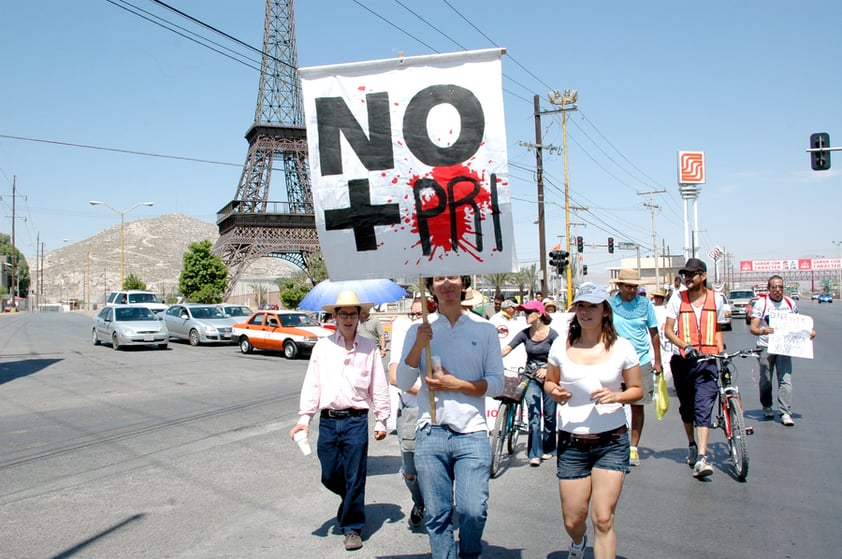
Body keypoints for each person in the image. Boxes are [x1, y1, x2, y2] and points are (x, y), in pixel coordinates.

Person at [397, 275, 505, 559]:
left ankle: (469, 554)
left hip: (472, 431)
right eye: (439, 278)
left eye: (453, 276)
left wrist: (457, 385)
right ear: (430, 286)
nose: (447, 283)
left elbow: (496, 383)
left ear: (464, 282)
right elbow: (403, 378)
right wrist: (419, 345)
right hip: (430, 431)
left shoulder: (485, 329)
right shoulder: (418, 328)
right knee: (437, 514)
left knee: (473, 510)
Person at [544, 282, 643, 559]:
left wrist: (616, 396)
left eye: (592, 306)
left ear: (605, 311)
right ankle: (577, 543)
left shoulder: (622, 347)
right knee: (573, 520)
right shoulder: (560, 347)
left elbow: (637, 390)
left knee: (603, 518)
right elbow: (549, 384)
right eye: (581, 306)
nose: (586, 312)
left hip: (611, 440)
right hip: (572, 443)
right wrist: (556, 392)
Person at [289, 291, 391, 552]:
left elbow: (378, 386)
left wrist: (381, 419)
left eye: (353, 314)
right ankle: (349, 501)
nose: (348, 319)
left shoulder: (369, 348)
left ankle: (353, 527)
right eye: (343, 314)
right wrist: (304, 418)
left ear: (360, 316)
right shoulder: (323, 347)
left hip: (356, 420)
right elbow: (312, 383)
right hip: (328, 421)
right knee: (329, 474)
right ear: (335, 316)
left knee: (356, 475)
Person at [663, 258, 725, 479]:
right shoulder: (677, 299)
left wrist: (720, 348)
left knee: (703, 407)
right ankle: (691, 443)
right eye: (685, 275)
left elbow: (719, 328)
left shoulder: (716, 299)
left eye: (692, 274)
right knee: (687, 408)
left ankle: (702, 457)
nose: (687, 278)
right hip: (684, 361)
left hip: (707, 362)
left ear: (703, 276)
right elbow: (668, 330)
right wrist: (684, 346)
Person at [609, 269, 661, 467]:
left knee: (637, 405)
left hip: (640, 361)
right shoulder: (610, 304)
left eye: (634, 286)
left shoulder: (645, 304)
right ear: (619, 286)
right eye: (627, 286)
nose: (631, 290)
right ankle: (614, 444)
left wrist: (657, 360)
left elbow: (653, 332)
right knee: (613, 404)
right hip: (614, 361)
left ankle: (633, 448)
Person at [749, 275, 816, 426]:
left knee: (785, 379)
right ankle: (767, 406)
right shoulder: (762, 304)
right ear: (769, 289)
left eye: (780, 287)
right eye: (774, 287)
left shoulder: (789, 303)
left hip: (784, 347)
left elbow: (799, 325)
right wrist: (763, 331)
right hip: (765, 347)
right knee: (766, 380)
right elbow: (753, 327)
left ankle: (785, 412)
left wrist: (809, 333)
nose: (777, 290)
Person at [502, 300, 559, 466]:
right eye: (524, 312)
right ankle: (534, 453)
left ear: (539, 314)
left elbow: (561, 356)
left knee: (549, 415)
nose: (525, 315)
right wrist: (490, 359)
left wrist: (548, 369)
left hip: (550, 378)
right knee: (534, 414)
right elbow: (507, 348)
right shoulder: (524, 334)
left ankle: (549, 447)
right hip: (530, 378)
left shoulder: (553, 335)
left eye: (528, 312)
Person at [387, 298, 426, 529]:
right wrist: (425, 390)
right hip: (411, 410)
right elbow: (394, 377)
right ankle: (419, 502)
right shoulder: (404, 338)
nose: (417, 318)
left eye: (422, 313)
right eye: (413, 314)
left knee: (436, 469)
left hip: (435, 412)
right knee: (410, 472)